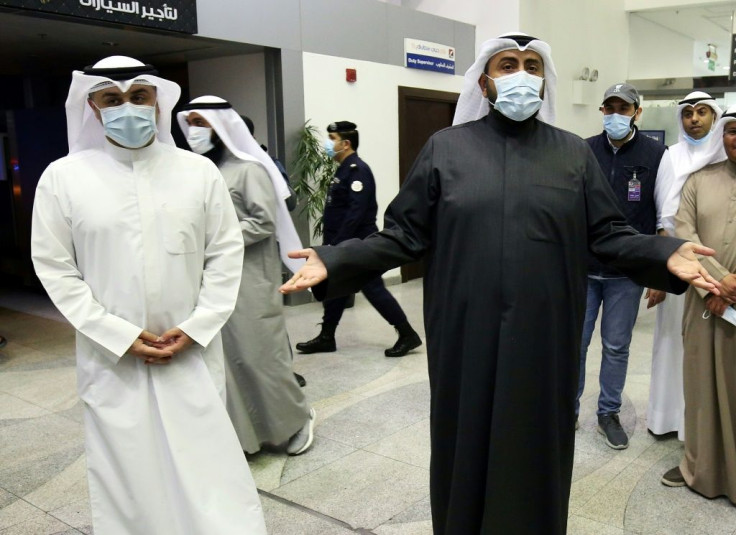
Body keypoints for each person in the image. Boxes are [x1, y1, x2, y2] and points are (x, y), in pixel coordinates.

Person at [279, 33, 720, 535]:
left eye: (532, 65)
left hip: (544, 334)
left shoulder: (573, 155)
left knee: (536, 442)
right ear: (486, 83)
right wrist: (336, 261)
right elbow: (403, 234)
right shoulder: (446, 149)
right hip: (466, 331)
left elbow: (609, 234)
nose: (522, 74)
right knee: (464, 439)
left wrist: (665, 252)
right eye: (508, 64)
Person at [30, 56, 267, 534]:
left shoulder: (199, 173)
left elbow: (223, 256)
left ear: (158, 101)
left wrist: (198, 326)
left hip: (191, 351)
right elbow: (55, 268)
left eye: (138, 96)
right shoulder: (62, 177)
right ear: (93, 108)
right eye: (112, 99)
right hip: (111, 358)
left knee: (208, 466)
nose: (127, 108)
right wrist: (114, 334)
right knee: (129, 472)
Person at [178, 95, 314, 455]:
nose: (194, 131)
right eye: (190, 123)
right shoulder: (199, 171)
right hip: (210, 280)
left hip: (251, 279)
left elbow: (263, 222)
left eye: (201, 123)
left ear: (221, 127)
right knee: (230, 361)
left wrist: (212, 236)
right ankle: (249, 435)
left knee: (261, 356)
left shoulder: (248, 169)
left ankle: (298, 418)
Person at [576, 82, 674, 450]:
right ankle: (566, 409)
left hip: (627, 273)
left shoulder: (656, 154)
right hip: (584, 270)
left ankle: (608, 412)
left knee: (617, 346)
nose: (616, 114)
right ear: (602, 111)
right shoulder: (583, 150)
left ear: (637, 112)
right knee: (576, 344)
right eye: (610, 108)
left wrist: (658, 273)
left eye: (624, 108)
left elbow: (664, 216)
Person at [295, 121, 422, 358]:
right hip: (344, 243)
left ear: (346, 143)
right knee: (336, 287)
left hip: (358, 244)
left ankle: (407, 334)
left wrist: (339, 246)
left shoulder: (357, 170)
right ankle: (327, 336)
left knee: (373, 288)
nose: (328, 143)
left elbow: (356, 212)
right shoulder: (344, 168)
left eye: (332, 138)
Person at [660, 107, 736, 504]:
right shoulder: (697, 181)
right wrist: (717, 283)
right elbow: (683, 232)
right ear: (722, 136)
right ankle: (701, 468)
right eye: (733, 131)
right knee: (702, 390)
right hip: (706, 302)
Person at [649, 91, 724, 439]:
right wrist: (659, 274)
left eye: (703, 112)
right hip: (677, 263)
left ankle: (701, 425)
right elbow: (664, 217)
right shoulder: (672, 156)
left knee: (711, 344)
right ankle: (667, 419)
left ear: (715, 117)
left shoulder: (725, 152)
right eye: (689, 113)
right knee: (671, 339)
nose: (694, 119)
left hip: (718, 263)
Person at [242, 114, 298, 211]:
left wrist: (266, 166)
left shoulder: (269, 164)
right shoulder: (221, 165)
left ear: (252, 139)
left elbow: (290, 202)